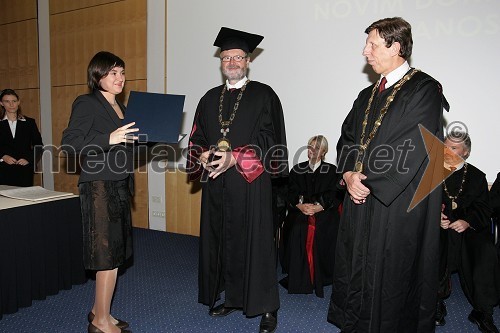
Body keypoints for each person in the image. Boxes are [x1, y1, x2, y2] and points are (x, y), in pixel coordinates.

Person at [328, 17, 448, 332]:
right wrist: (350, 174)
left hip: (396, 202)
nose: (365, 52)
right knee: (357, 268)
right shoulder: (366, 95)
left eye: (372, 45)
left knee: (391, 274)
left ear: (395, 46)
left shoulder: (424, 89)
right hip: (360, 196)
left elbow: (413, 144)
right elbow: (348, 137)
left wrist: (367, 182)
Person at [187, 27, 288, 333]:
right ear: (220, 62)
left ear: (247, 61)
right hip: (218, 183)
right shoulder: (208, 98)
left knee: (256, 243)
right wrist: (202, 154)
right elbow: (197, 136)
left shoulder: (264, 95)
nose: (231, 62)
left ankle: (267, 307)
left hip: (250, 183)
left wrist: (237, 157)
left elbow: (272, 139)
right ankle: (233, 298)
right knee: (224, 241)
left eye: (237, 57)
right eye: (226, 57)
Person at [61, 51, 138, 333]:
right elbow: (69, 144)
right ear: (98, 76)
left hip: (119, 185)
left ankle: (98, 310)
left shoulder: (122, 107)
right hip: (99, 188)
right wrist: (109, 138)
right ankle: (100, 322)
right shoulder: (87, 103)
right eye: (113, 73)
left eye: (122, 72)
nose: (120, 78)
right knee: (106, 257)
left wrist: (157, 136)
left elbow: (128, 145)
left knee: (116, 254)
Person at [436, 133, 500, 333]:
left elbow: (483, 208)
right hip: (441, 227)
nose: (448, 151)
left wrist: (467, 221)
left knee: (485, 249)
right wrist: (434, 218)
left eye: (454, 148)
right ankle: (435, 301)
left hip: (468, 228)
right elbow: (421, 204)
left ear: (466, 152)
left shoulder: (477, 176)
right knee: (431, 242)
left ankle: (483, 312)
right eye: (445, 147)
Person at [279, 135, 342, 298]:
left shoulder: (332, 171)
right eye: (310, 146)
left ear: (323, 151)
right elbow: (290, 192)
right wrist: (300, 205)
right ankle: (298, 274)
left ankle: (321, 274)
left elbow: (334, 195)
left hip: (323, 210)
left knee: (321, 229)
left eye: (317, 148)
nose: (312, 151)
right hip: (300, 210)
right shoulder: (297, 169)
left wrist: (319, 207)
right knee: (298, 227)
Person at [0, 89, 43, 187]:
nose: (11, 104)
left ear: (18, 102)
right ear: (1, 103)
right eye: (7, 101)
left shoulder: (29, 123)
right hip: (3, 170)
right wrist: (3, 156)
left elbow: (39, 146)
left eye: (14, 101)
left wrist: (28, 159)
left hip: (24, 170)